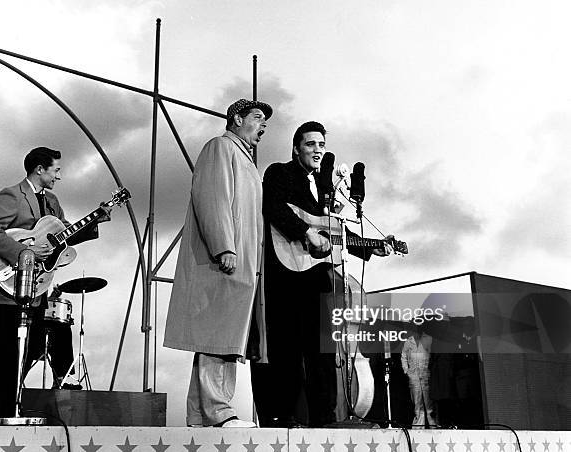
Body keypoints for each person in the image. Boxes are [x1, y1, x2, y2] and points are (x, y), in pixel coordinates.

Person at [253, 121, 392, 427]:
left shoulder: (324, 187)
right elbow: (273, 206)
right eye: (310, 144)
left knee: (321, 350)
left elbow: (331, 231)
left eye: (321, 145)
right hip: (286, 274)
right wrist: (305, 232)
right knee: (286, 348)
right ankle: (283, 416)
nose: (317, 150)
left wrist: (369, 247)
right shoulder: (279, 173)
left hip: (317, 278)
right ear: (296, 148)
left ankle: (325, 418)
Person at [0, 147, 109, 421]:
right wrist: (24, 253)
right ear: (39, 169)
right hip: (12, 286)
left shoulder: (52, 202)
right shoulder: (12, 196)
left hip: (38, 288)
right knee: (8, 353)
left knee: (28, 351)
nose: (59, 176)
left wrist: (94, 222)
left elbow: (66, 236)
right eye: (55, 170)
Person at [163, 99, 272, 428]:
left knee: (221, 336)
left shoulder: (243, 158)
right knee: (218, 336)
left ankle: (200, 415)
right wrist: (224, 245)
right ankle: (219, 412)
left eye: (264, 121)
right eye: (257, 118)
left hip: (241, 262)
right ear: (237, 118)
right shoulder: (220, 148)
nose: (263, 126)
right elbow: (213, 197)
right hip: (225, 260)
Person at [401, 324, 438, 427]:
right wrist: (406, 370)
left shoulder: (428, 339)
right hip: (413, 375)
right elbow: (403, 356)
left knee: (428, 400)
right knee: (417, 401)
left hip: (426, 374)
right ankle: (418, 424)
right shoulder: (408, 341)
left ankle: (432, 423)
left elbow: (432, 355)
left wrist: (430, 369)